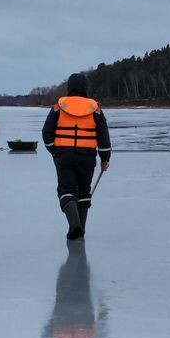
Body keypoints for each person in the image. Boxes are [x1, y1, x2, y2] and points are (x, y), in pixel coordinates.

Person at [42, 73, 111, 240]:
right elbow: (103, 136)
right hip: (87, 157)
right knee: (84, 191)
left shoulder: (58, 107)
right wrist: (105, 158)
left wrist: (54, 150)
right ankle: (81, 229)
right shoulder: (96, 109)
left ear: (69, 88)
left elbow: (46, 133)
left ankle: (75, 225)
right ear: (85, 88)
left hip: (64, 155)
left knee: (66, 190)